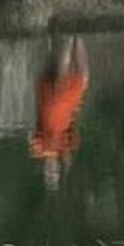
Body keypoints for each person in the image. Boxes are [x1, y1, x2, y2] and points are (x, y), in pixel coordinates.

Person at [29, 36, 89, 188]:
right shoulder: (59, 150)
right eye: (53, 173)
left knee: (64, 77)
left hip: (55, 108)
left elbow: (33, 130)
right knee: (76, 77)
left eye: (49, 173)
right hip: (57, 109)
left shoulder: (41, 150)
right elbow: (73, 130)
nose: (51, 170)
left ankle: (71, 37)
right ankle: (73, 37)